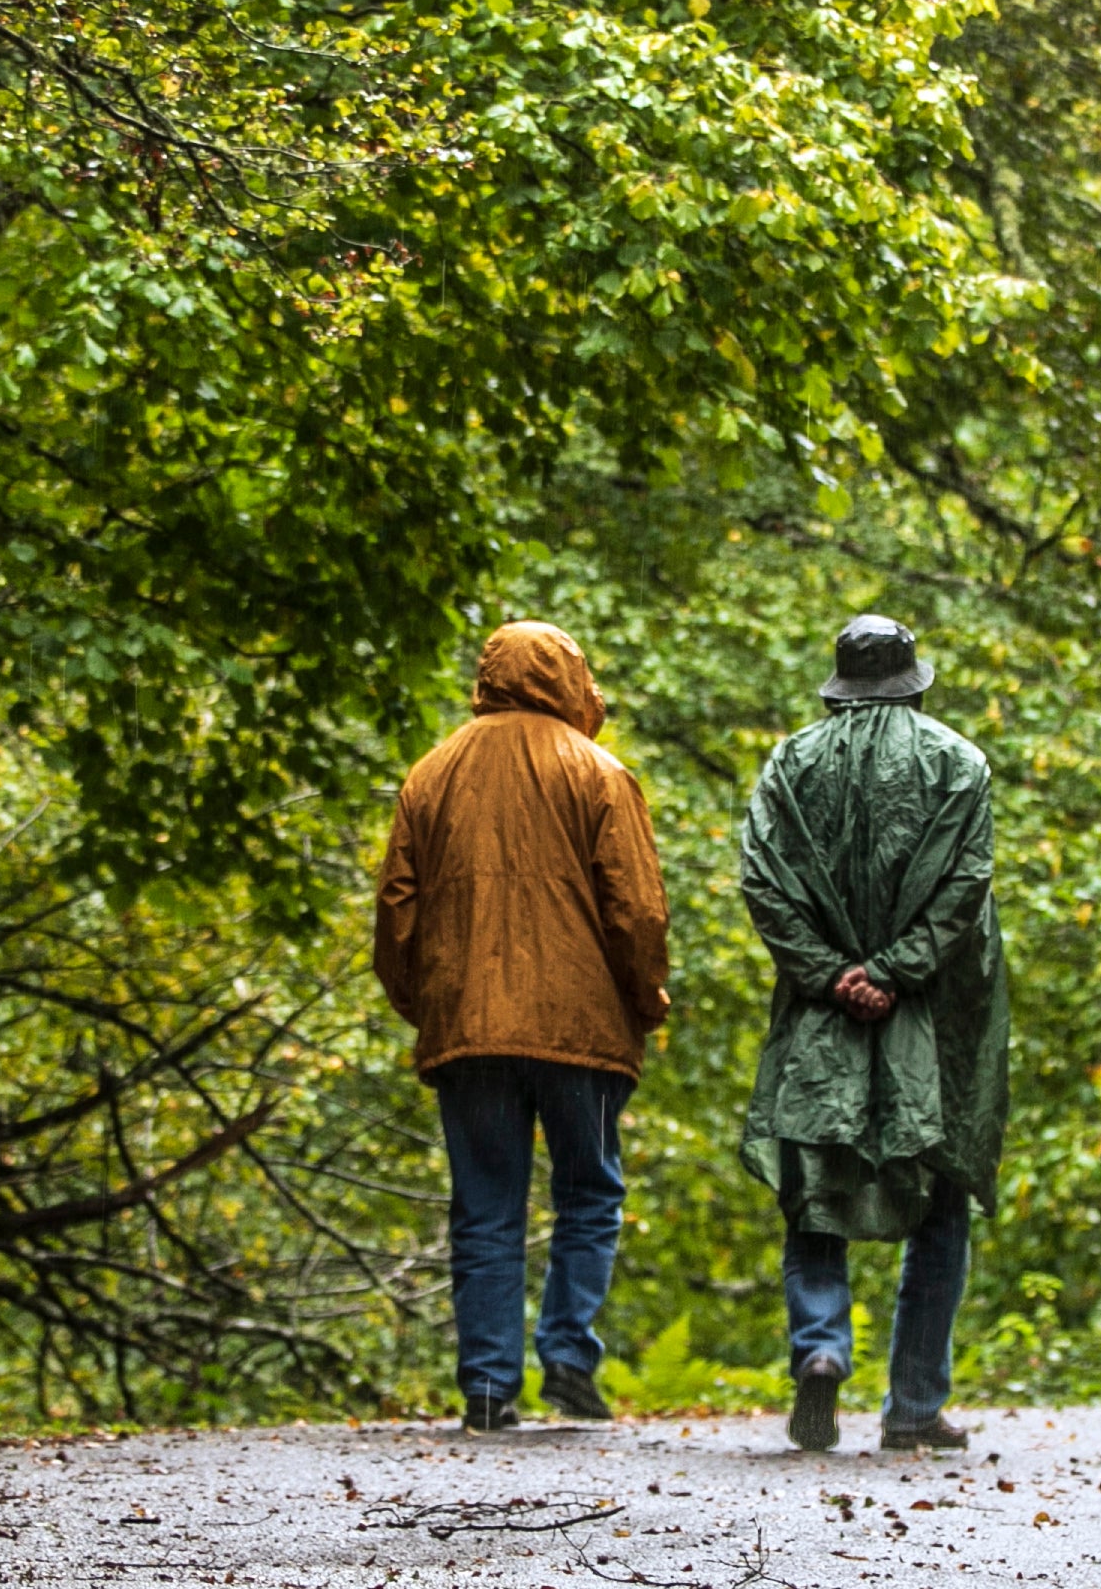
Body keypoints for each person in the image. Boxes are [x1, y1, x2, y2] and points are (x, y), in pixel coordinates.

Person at [371, 622, 672, 1433]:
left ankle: (488, 1386)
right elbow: (637, 910)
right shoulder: (601, 774)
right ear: (571, 679)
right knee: (591, 1190)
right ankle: (569, 1354)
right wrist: (647, 997)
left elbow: (396, 911)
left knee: (485, 1205)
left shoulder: (431, 774)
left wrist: (426, 1001)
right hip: (585, 1029)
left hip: (469, 1029)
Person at [734, 614, 1008, 1454]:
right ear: (913, 677)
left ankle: (819, 1348)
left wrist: (831, 973)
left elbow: (763, 881)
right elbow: (965, 885)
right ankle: (915, 1403)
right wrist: (894, 970)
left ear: (840, 681)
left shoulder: (791, 763)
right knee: (939, 1186)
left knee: (816, 1178)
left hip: (823, 1012)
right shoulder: (959, 764)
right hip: (927, 1012)